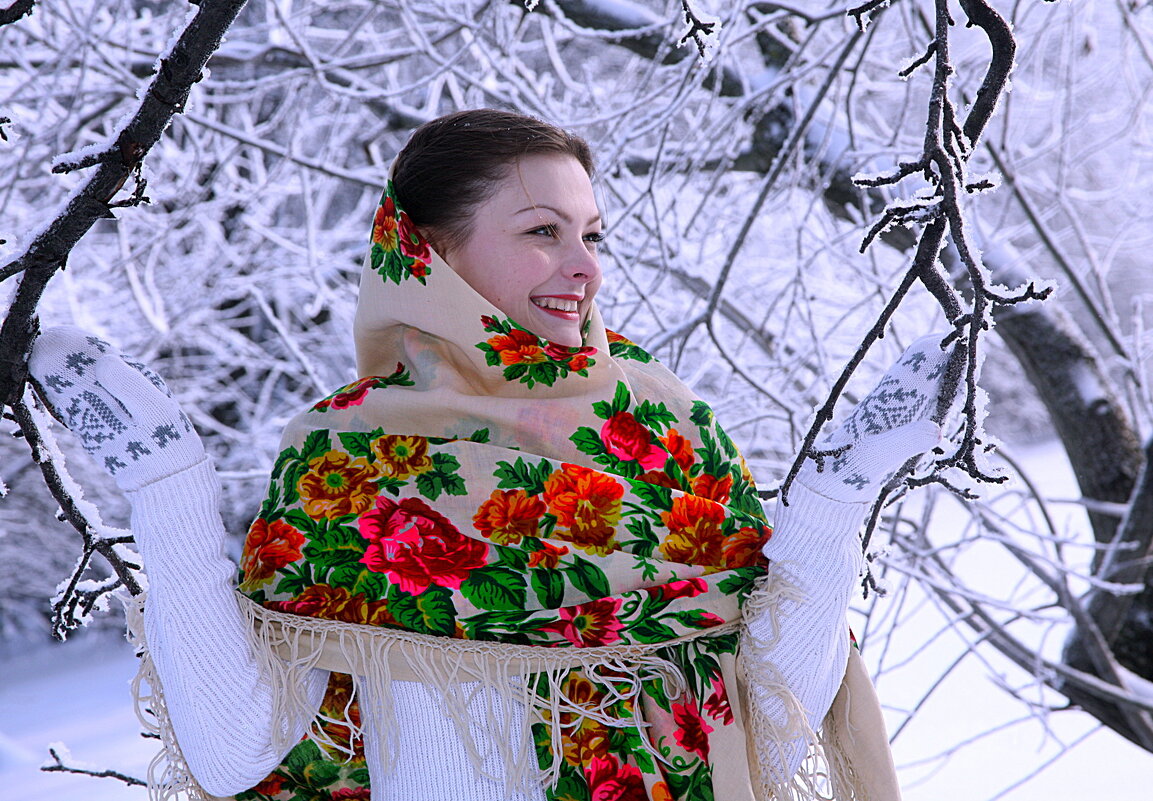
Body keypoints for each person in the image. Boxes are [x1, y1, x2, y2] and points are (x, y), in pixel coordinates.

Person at [28, 109, 957, 801]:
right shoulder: (341, 462)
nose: (585, 265)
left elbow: (767, 714)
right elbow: (239, 752)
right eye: (541, 232)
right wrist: (167, 488)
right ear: (430, 253)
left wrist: (841, 494)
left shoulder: (665, 431)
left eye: (591, 234)